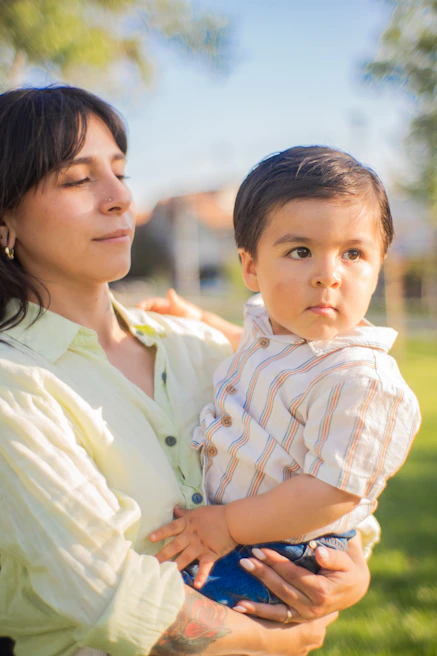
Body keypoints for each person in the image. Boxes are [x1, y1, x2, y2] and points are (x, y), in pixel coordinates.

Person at [0, 87, 371, 656]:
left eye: (120, 172)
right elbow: (112, 598)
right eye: (79, 179)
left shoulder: (199, 347)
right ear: (6, 221)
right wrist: (279, 641)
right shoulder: (14, 383)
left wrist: (351, 570)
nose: (120, 197)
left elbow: (334, 468)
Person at [139, 147, 421, 608]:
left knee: (181, 623)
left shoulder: (362, 381)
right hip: (233, 528)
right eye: (300, 251)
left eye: (353, 253)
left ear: (379, 266)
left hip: (277, 548)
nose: (327, 276)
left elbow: (331, 493)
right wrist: (197, 317)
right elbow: (251, 346)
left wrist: (229, 524)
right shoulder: (273, 327)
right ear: (251, 267)